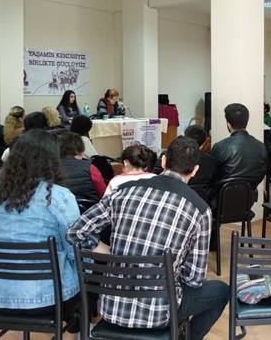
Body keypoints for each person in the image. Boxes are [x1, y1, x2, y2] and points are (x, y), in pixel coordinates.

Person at [67, 137, 229, 340]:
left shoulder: (123, 191)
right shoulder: (200, 209)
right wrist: (173, 268)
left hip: (112, 308)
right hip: (161, 313)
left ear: (163, 161)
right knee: (222, 291)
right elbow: (194, 279)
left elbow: (75, 233)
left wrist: (109, 252)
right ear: (195, 170)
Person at [0, 130, 80, 340]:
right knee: (88, 273)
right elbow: (75, 249)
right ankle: (78, 330)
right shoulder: (59, 197)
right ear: (53, 160)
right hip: (49, 299)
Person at [208, 103, 267, 207]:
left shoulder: (220, 147)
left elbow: (211, 176)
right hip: (248, 200)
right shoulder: (261, 147)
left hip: (220, 201)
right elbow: (261, 174)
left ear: (228, 124)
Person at [58, 131, 106, 210]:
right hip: (91, 212)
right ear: (79, 148)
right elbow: (103, 194)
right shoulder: (90, 168)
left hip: (64, 211)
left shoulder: (51, 168)